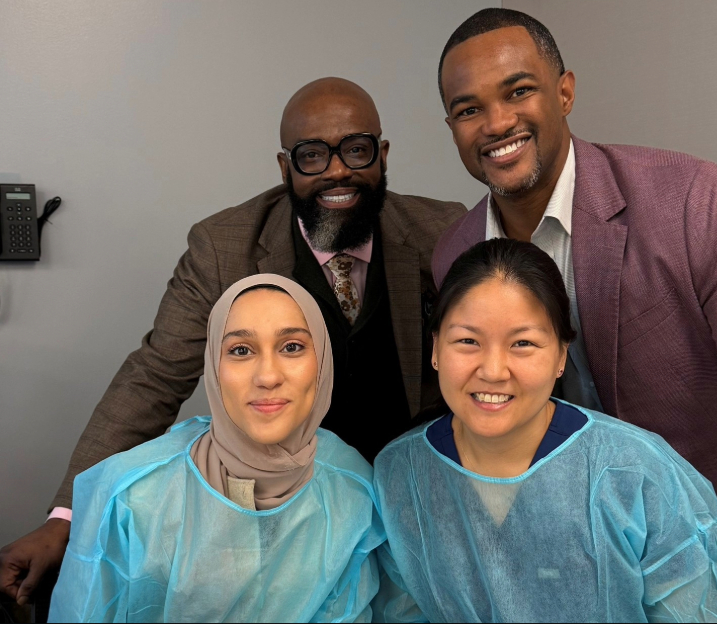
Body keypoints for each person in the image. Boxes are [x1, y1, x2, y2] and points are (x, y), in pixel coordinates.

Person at [430, 8, 717, 622]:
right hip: (563, 582)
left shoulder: (695, 203)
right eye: (468, 109)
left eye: (519, 91)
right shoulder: (455, 255)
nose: (497, 123)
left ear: (565, 91)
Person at [0, 77, 466, 606]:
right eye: (312, 155)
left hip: (416, 503)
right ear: (284, 167)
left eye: (356, 150)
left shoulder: (442, 232)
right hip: (293, 515)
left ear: (382, 155)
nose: (338, 170)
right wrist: (65, 518)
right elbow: (154, 375)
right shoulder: (224, 246)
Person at [374, 238, 717, 623]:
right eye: (468, 341)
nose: (492, 370)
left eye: (522, 343)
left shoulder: (632, 473)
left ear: (560, 354)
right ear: (435, 347)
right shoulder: (401, 476)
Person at [48, 275, 384, 622]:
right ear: (214, 366)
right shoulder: (131, 495)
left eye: (292, 347)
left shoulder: (354, 488)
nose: (268, 376)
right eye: (241, 350)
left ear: (322, 361)